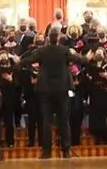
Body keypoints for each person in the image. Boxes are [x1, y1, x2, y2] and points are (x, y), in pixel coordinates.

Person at [21, 28, 89, 159]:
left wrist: (18, 61)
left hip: (45, 90)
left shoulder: (42, 51)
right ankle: (66, 151)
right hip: (63, 90)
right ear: (57, 38)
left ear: (48, 38)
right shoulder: (64, 50)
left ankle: (46, 152)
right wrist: (87, 57)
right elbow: (79, 60)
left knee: (46, 121)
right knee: (64, 120)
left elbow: (29, 60)